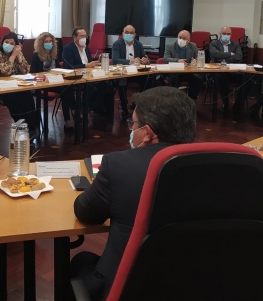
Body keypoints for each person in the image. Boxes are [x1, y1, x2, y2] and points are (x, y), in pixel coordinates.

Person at [71, 86, 196, 300]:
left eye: (134, 124)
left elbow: (85, 212)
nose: (132, 130)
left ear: (147, 133)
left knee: (80, 262)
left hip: (129, 287)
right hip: (192, 284)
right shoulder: (215, 167)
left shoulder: (118, 165)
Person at [0, 31, 38, 137]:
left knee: (27, 96)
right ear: (2, 42)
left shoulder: (17, 53)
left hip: (15, 86)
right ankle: (22, 126)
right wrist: (13, 56)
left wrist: (19, 58)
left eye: (12, 43)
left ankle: (32, 127)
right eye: (6, 42)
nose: (8, 45)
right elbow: (5, 71)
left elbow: (25, 71)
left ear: (16, 45)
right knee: (15, 98)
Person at [62, 26, 109, 116]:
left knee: (106, 86)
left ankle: (98, 109)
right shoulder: (68, 48)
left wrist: (96, 62)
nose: (84, 38)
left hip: (89, 76)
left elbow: (89, 63)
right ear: (74, 37)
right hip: (76, 78)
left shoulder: (86, 48)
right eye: (81, 36)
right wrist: (86, 65)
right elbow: (68, 66)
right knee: (91, 87)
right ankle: (81, 109)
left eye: (85, 36)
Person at [30, 32, 73, 129]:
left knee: (68, 88)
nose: (48, 43)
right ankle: (73, 114)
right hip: (43, 84)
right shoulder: (36, 56)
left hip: (55, 82)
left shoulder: (54, 55)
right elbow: (33, 72)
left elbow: (57, 69)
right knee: (66, 90)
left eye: (50, 41)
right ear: (41, 43)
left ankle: (68, 119)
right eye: (46, 41)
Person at [111, 24, 149, 119]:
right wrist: (130, 61)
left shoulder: (138, 44)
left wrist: (146, 60)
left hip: (136, 73)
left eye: (131, 33)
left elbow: (145, 58)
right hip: (123, 73)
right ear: (123, 34)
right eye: (126, 32)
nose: (129, 34)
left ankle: (137, 102)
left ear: (135, 34)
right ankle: (124, 108)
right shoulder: (117, 44)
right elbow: (115, 60)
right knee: (122, 80)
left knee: (148, 79)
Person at [209, 26, 245, 115]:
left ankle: (238, 105)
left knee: (247, 80)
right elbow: (215, 54)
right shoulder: (214, 43)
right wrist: (231, 54)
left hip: (234, 71)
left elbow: (239, 57)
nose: (226, 35)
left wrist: (223, 59)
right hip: (220, 72)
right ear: (220, 34)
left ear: (231, 35)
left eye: (228, 34)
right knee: (223, 78)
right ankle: (226, 103)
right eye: (224, 33)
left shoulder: (236, 44)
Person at [163, 30, 201, 101]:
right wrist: (177, 61)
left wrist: (195, 61)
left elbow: (198, 58)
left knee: (197, 79)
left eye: (184, 38)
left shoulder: (193, 46)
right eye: (179, 37)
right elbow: (166, 59)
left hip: (187, 72)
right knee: (174, 80)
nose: (181, 40)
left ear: (188, 40)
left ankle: (191, 101)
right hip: (173, 73)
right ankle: (174, 102)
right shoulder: (170, 46)